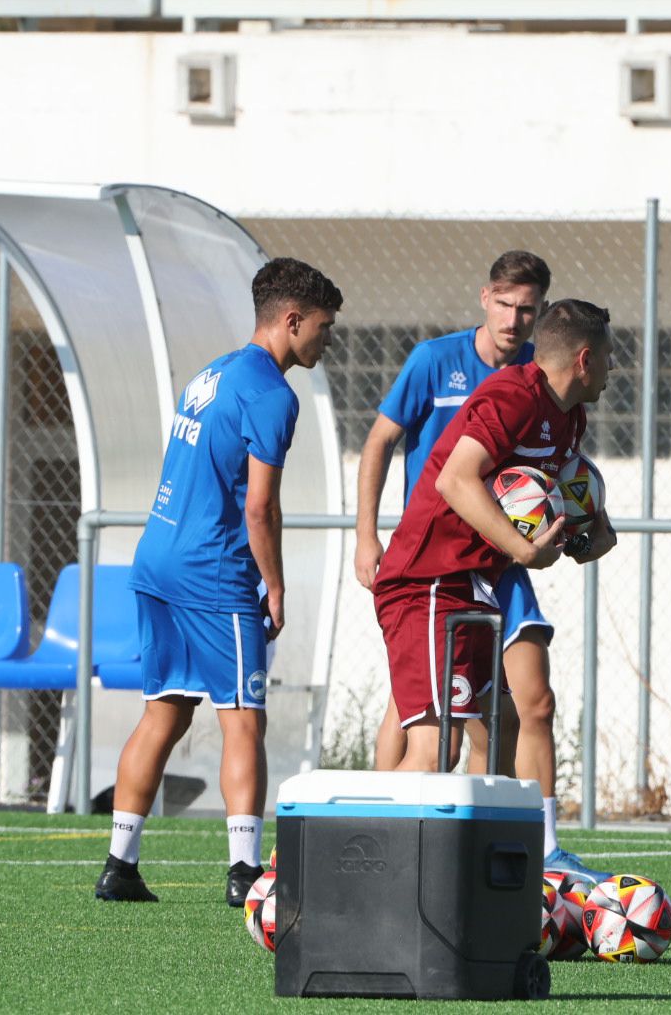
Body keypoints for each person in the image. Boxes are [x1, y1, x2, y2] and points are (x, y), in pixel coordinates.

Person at [94, 257, 341, 905]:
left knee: (163, 712)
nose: (326, 339)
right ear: (292, 320)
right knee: (243, 720)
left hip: (157, 559)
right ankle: (243, 873)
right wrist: (276, 586)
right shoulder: (272, 394)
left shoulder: (213, 373)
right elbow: (260, 506)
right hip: (212, 571)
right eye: (323, 326)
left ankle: (120, 864)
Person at [372, 298, 619, 884]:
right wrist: (523, 548)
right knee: (436, 746)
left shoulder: (568, 419)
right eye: (609, 358)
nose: (614, 369)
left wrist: (589, 532)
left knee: (487, 732)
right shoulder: (513, 395)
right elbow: (457, 479)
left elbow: (550, 504)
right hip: (427, 581)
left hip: (475, 586)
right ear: (584, 360)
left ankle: (461, 873)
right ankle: (337, 858)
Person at [356, 251, 552, 777]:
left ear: (542, 312)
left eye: (527, 310)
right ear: (485, 298)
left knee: (521, 705)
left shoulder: (540, 375)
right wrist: (366, 535)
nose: (513, 320)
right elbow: (379, 442)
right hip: (433, 560)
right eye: (505, 304)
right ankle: (365, 828)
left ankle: (512, 837)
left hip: (501, 556)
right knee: (420, 716)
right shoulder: (434, 360)